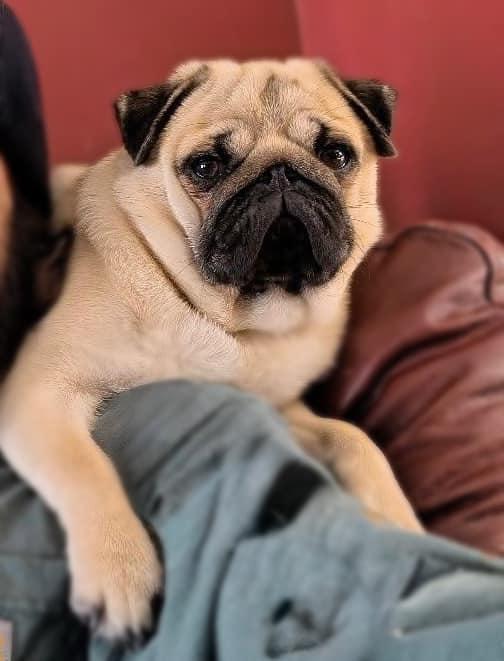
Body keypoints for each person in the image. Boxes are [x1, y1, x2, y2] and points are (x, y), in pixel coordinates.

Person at [1, 4, 504, 660]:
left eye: (331, 155)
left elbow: (354, 600)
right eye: (211, 168)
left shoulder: (190, 427)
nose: (280, 188)